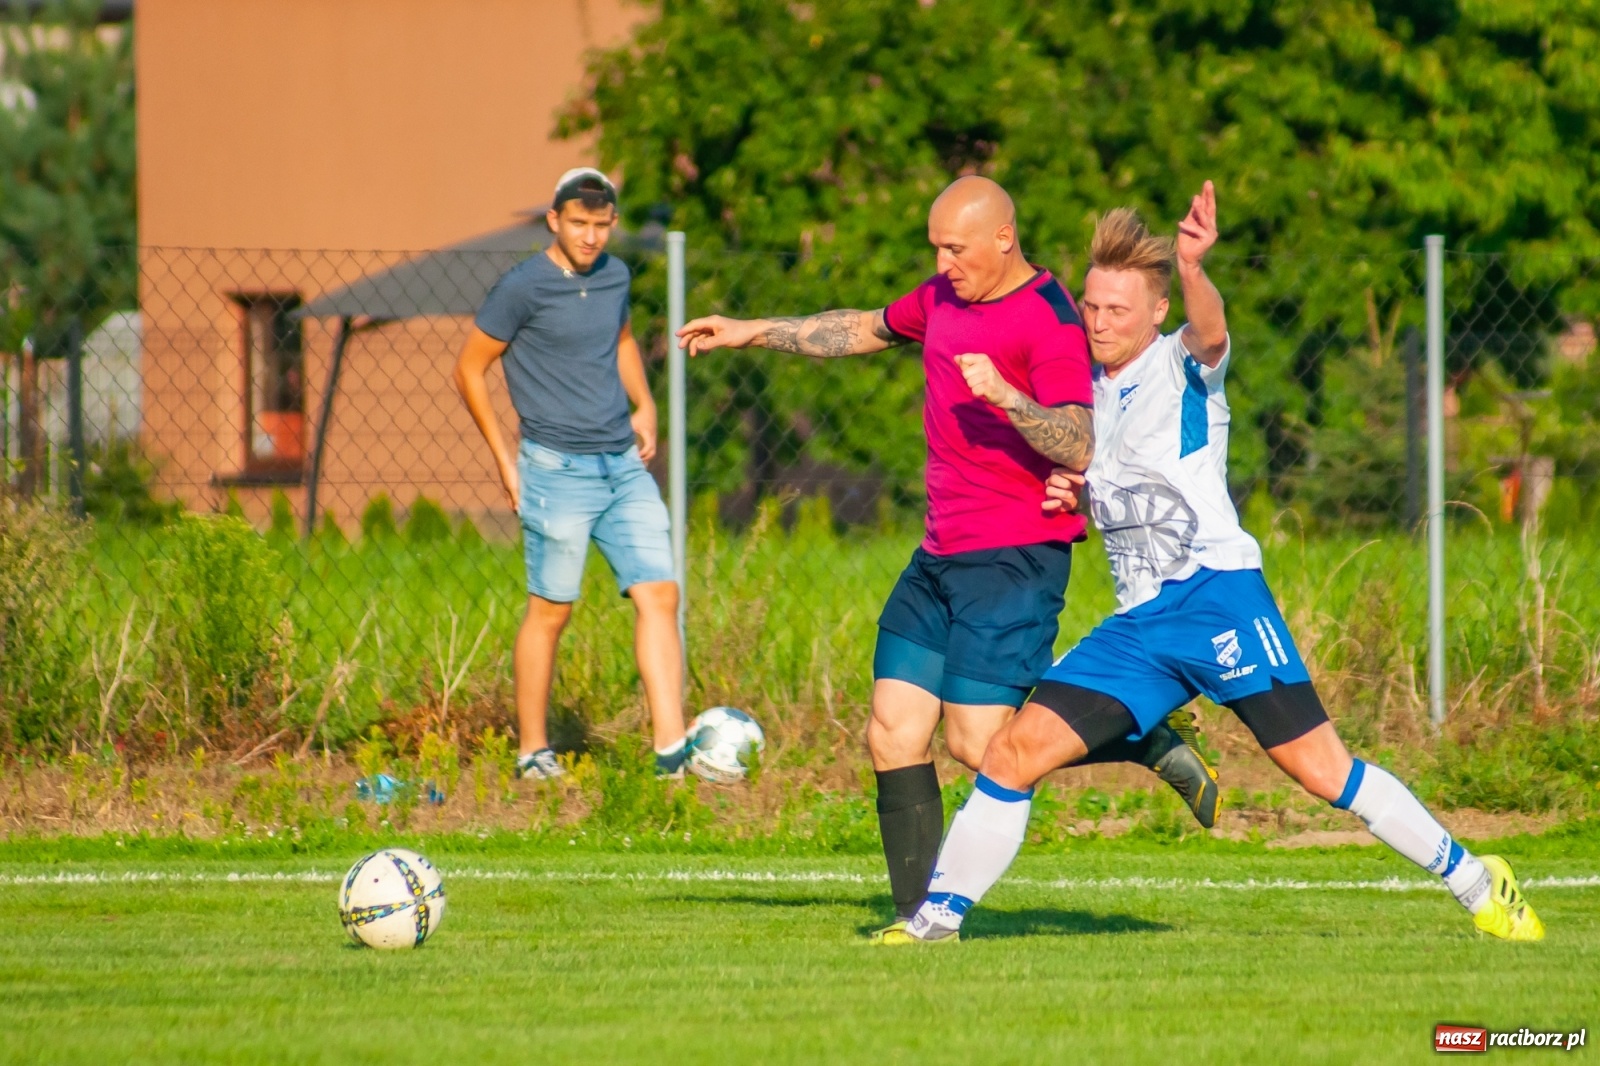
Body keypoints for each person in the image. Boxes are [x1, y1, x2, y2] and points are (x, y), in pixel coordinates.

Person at [888, 182, 1544, 944]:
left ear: (1155, 311)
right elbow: (1092, 462)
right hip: (1139, 626)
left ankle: (1475, 879)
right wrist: (1076, 483)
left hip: (1217, 599)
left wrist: (1195, 268)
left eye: (1118, 310)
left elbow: (1211, 331)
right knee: (1011, 751)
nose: (1100, 323)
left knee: (1322, 772)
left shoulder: (1181, 364)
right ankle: (936, 922)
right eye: (1092, 308)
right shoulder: (1084, 394)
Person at [676, 176, 1219, 937]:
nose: (942, 261)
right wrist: (753, 329)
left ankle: (1143, 734)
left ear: (1003, 238)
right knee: (892, 730)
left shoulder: (1051, 317)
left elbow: (1080, 439)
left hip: (1016, 557)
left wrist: (1005, 396)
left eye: (954, 247)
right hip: (939, 552)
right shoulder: (942, 297)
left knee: (973, 741)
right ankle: (916, 918)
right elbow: (864, 327)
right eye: (936, 247)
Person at [454, 168, 688, 780]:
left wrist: (646, 403)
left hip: (623, 465)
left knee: (660, 594)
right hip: (555, 470)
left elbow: (621, 340)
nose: (590, 237)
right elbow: (470, 369)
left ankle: (671, 753)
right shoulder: (521, 287)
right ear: (554, 221)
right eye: (578, 224)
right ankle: (533, 752)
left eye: (601, 226)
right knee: (551, 611)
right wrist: (505, 460)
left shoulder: (615, 276)